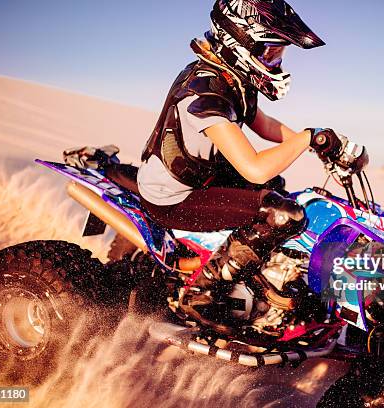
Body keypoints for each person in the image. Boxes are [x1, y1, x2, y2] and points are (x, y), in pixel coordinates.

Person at [138, 0, 343, 335]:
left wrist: (318, 147)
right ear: (239, 41)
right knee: (281, 215)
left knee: (276, 189)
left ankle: (259, 271)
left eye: (279, 54)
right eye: (270, 52)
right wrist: (307, 137)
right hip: (174, 196)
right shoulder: (203, 93)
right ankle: (204, 292)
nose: (276, 62)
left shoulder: (233, 79)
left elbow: (264, 124)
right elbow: (254, 169)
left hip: (201, 175)